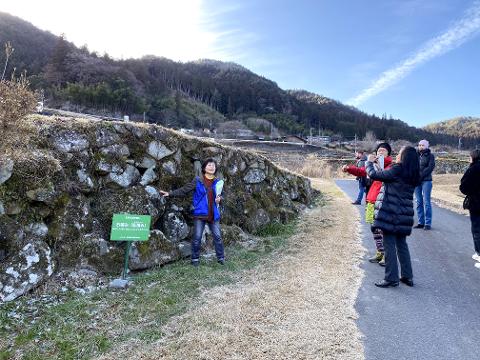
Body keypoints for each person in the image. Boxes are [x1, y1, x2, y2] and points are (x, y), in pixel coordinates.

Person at [365, 146, 420, 288]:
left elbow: (374, 176)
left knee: (389, 245)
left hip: (391, 213)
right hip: (405, 214)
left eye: (400, 153)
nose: (397, 155)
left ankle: (391, 278)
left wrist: (369, 163)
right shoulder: (413, 173)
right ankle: (408, 277)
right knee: (402, 245)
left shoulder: (398, 169)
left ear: (404, 157)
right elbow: (387, 177)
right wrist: (380, 167)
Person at [159, 158, 225, 267]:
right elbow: (184, 190)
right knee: (197, 237)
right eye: (209, 165)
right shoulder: (198, 180)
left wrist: (220, 199)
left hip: (213, 214)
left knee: (218, 237)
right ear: (204, 168)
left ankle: (221, 258)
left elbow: (222, 196)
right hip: (200, 214)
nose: (212, 167)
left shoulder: (218, 182)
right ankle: (195, 259)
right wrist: (170, 193)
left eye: (213, 165)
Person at [343, 142, 393, 266]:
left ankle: (387, 255)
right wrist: (349, 168)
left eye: (383, 151)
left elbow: (383, 177)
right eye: (378, 151)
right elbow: (362, 171)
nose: (380, 153)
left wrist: (373, 164)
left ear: (388, 153)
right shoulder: (372, 165)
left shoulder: (392, 166)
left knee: (382, 229)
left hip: (383, 201)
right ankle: (380, 252)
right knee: (374, 228)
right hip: (371, 200)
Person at [459, 149, 480, 269]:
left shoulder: (473, 169)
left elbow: (464, 187)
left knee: (477, 229)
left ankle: (479, 253)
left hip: (477, 203)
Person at [414, 139, 435, 230]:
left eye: (422, 145)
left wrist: (420, 176)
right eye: (419, 145)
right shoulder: (415, 156)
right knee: (419, 202)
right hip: (416, 181)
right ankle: (420, 222)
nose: (420, 146)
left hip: (426, 180)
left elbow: (430, 167)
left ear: (426, 146)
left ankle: (427, 223)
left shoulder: (430, 156)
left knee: (426, 202)